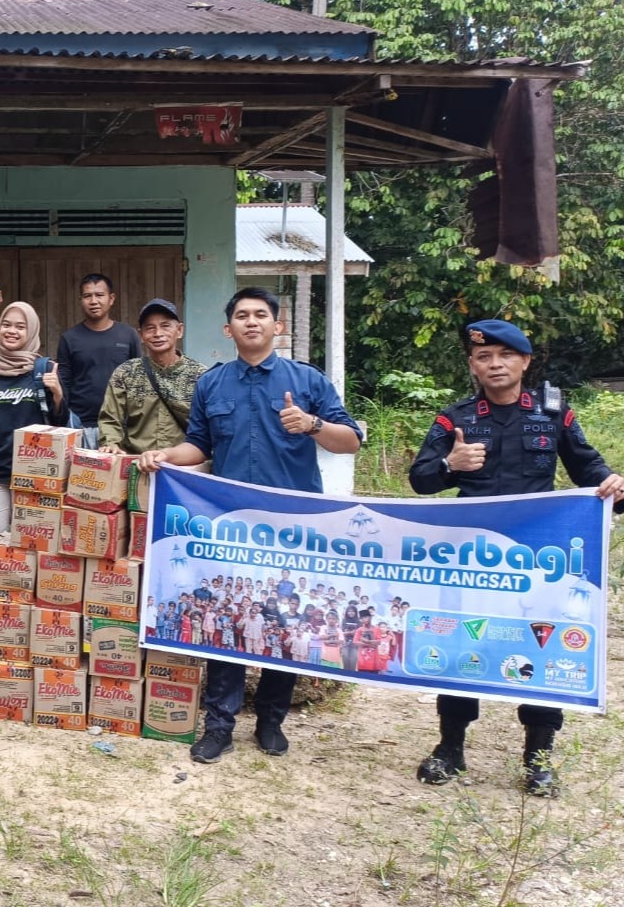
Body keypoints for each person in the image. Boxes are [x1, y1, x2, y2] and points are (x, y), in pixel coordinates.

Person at [139, 287, 362, 764]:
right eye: (242, 315)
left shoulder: (307, 381)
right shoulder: (212, 384)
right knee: (228, 624)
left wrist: (312, 425)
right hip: (231, 526)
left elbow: (351, 442)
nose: (252, 322)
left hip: (292, 526)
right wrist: (164, 457)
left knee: (284, 622)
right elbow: (198, 445)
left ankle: (271, 721)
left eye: (261, 315)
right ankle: (218, 724)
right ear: (228, 329)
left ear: (277, 327)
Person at [408, 318, 624, 797]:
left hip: (535, 563)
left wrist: (612, 485)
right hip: (473, 561)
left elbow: (587, 467)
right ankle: (450, 748)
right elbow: (420, 479)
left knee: (540, 650)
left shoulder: (553, 414)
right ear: (473, 365)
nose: (494, 364)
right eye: (484, 357)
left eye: (505, 355)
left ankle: (538, 758)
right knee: (461, 647)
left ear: (525, 361)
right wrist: (450, 465)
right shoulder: (455, 418)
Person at [0, 302, 66, 543]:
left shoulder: (43, 369)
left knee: (30, 553)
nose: (11, 331)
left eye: (20, 326)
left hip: (36, 480)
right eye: (6, 324)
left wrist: (58, 394)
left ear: (31, 332)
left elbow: (60, 425)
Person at [98, 299, 206, 455]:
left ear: (180, 330)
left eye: (165, 326)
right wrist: (111, 444)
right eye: (150, 328)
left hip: (181, 469)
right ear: (141, 335)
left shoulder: (200, 376)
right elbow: (110, 418)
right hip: (136, 465)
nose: (158, 334)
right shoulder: (126, 373)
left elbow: (208, 429)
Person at [57, 274, 141, 448]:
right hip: (81, 425)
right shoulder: (69, 338)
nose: (93, 301)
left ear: (111, 299)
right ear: (81, 300)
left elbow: (138, 380)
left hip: (120, 426)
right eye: (87, 296)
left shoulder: (128, 334)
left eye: (99, 295)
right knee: (80, 476)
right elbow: (64, 382)